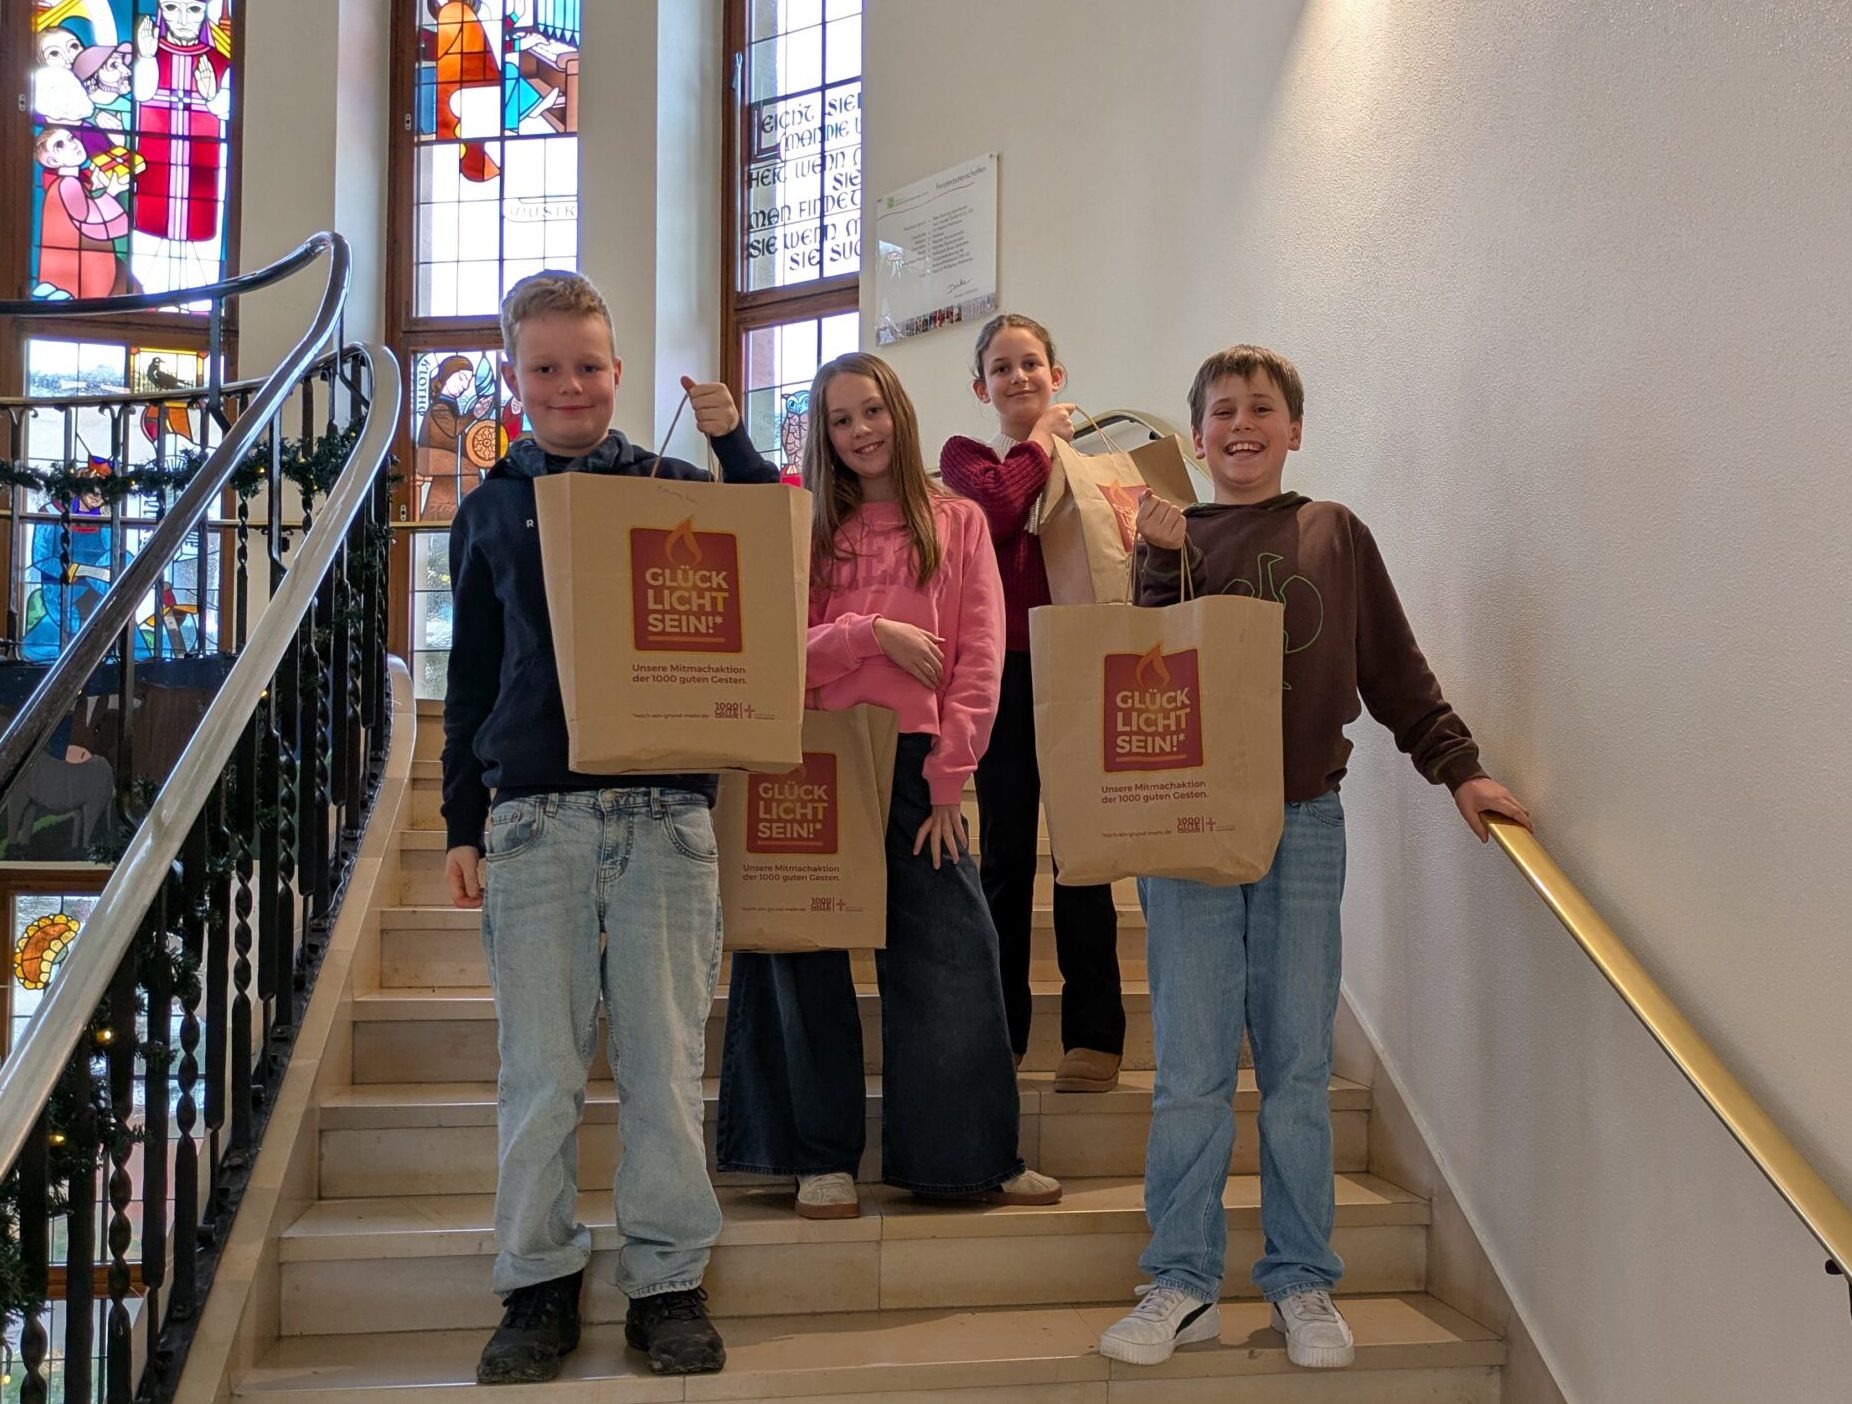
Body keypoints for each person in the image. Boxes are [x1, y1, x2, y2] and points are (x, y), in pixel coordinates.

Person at [1099, 345, 1531, 1370]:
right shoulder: (1160, 533)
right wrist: (1157, 560)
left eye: (1262, 409)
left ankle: (1301, 1281)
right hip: (1187, 831)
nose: (1241, 425)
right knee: (1194, 1071)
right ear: (1194, 437)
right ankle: (1182, 1280)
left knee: (1295, 1067)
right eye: (1221, 412)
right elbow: (1145, 681)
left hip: (1303, 823)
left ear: (1295, 429)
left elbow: (1392, 668)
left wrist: (1458, 767)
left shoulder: (1333, 532)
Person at [441, 269, 781, 1383]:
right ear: (514, 376)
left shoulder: (681, 486)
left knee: (662, 1062)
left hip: (667, 816)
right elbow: (474, 674)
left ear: (619, 371)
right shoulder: (491, 508)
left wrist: (733, 446)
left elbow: (771, 550)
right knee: (539, 1069)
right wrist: (460, 819)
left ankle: (667, 1281)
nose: (570, 384)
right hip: (535, 820)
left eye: (588, 364)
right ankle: (536, 1284)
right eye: (545, 367)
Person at [716, 351, 1062, 1220]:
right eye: (840, 420)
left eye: (871, 411)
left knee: (954, 952)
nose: (860, 431)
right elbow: (765, 652)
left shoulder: (959, 523)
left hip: (919, 763)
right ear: (825, 437)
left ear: (898, 414)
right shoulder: (803, 530)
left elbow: (979, 658)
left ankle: (969, 1152)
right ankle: (815, 1157)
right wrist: (868, 633)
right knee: (802, 954)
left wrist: (952, 778)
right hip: (816, 756)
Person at [939, 314, 1126, 1092]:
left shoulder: (1098, 470)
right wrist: (1042, 441)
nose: (1020, 378)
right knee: (1007, 856)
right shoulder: (967, 459)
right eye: (1003, 368)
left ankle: (1095, 1037)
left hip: (1080, 665)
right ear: (981, 386)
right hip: (1004, 672)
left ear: (1059, 373)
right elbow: (1002, 511)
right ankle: (1001, 1030)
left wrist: (1055, 447)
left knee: (1084, 850)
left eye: (1032, 364)